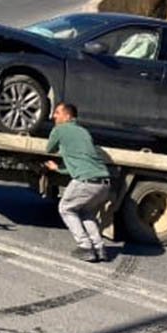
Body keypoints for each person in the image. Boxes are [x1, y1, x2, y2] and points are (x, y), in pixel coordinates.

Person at [44, 102, 113, 262]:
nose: (53, 116)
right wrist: (58, 168)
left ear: (67, 116)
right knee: (86, 213)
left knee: (65, 208)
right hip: (103, 183)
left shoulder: (60, 129)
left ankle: (85, 246)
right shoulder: (83, 131)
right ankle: (99, 247)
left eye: (57, 113)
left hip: (86, 182)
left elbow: (49, 149)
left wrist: (59, 144)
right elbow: (80, 163)